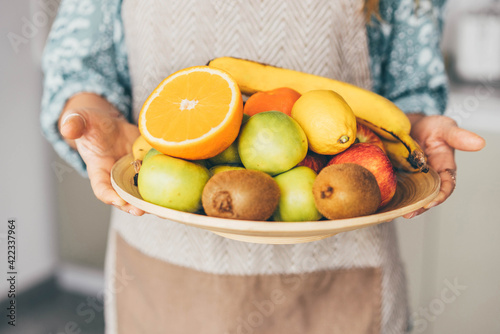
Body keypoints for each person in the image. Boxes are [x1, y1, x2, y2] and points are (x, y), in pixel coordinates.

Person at [41, 0, 485, 333]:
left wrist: (419, 125)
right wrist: (89, 112)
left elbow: (408, 91)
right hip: (164, 267)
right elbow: (81, 66)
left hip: (342, 276)